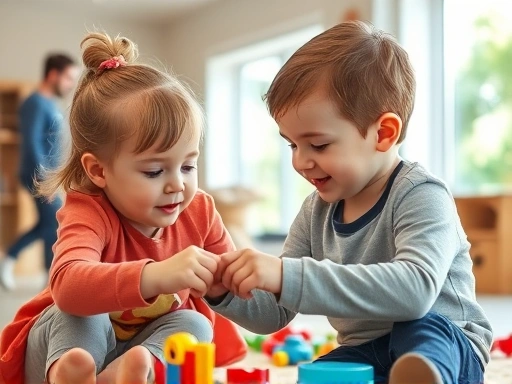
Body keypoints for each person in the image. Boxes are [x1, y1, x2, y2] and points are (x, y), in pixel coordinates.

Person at [206, 20, 493, 384]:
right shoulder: (315, 211)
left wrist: (285, 274)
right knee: (324, 370)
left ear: (383, 133)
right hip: (366, 350)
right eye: (292, 145)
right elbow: (273, 314)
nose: (299, 161)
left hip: (448, 344)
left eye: (319, 145)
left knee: (422, 331)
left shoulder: (422, 194)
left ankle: (424, 377)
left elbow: (415, 291)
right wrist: (225, 293)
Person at [0, 32, 245, 384]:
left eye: (188, 166)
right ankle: (70, 374)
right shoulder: (88, 211)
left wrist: (269, 280)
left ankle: (125, 373)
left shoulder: (200, 212)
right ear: (99, 171)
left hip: (132, 351)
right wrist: (157, 275)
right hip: (65, 347)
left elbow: (241, 296)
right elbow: (67, 285)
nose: (177, 184)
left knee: (195, 322)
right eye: (154, 171)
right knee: (82, 313)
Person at [0, 53, 79, 290]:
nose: (70, 85)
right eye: (68, 78)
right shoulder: (34, 102)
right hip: (37, 177)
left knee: (48, 224)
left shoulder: (50, 105)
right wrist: (44, 181)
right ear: (53, 74)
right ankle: (43, 276)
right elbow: (32, 144)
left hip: (48, 178)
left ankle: (41, 275)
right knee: (54, 223)